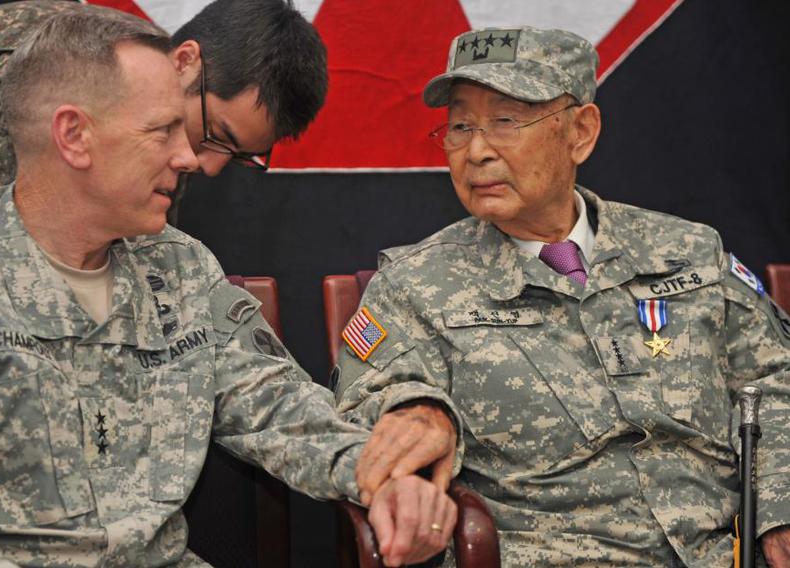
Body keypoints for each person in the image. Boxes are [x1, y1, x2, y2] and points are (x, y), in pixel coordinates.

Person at [0, 10, 457, 567]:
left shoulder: (180, 268)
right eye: (163, 131)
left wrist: (384, 473)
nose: (190, 160)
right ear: (74, 135)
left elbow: (278, 406)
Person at [335, 25, 790, 567]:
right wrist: (420, 411)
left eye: (505, 121)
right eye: (460, 126)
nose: (477, 150)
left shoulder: (689, 252)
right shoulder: (415, 286)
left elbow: (775, 381)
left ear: (581, 132)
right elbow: (377, 414)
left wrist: (780, 506)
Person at [0, 0, 324, 230]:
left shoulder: (171, 111)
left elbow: (141, 254)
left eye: (239, 156)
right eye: (215, 135)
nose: (206, 165)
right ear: (186, 60)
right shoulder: (40, 78)